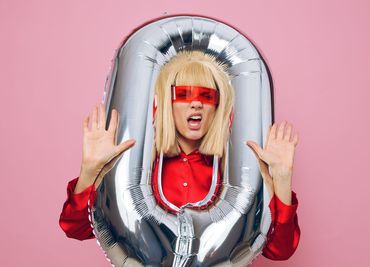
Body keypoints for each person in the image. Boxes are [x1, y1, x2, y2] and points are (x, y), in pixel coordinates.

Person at [59, 51, 300, 261]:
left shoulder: (235, 180)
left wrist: (281, 179)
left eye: (207, 96)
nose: (196, 104)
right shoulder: (137, 173)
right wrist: (90, 170)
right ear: (166, 103)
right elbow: (76, 228)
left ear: (218, 108)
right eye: (184, 94)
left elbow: (279, 250)